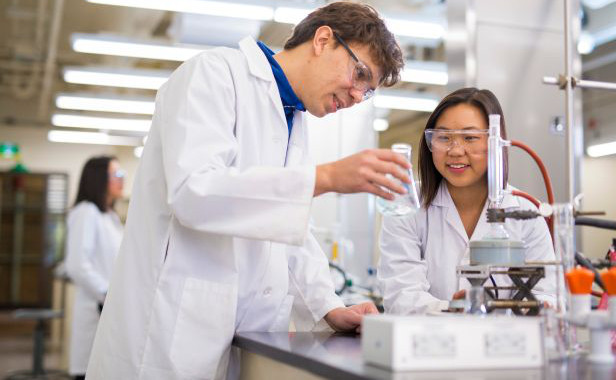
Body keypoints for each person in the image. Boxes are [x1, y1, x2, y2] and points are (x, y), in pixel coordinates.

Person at [87, 2, 406, 379]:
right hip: (167, 334)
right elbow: (195, 191)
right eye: (359, 74)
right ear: (323, 39)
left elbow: (284, 234)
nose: (356, 97)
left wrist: (328, 306)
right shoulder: (215, 74)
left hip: (235, 333)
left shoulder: (295, 120)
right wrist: (324, 178)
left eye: (366, 93)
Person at [378, 88, 556, 315]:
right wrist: (452, 309)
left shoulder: (526, 212)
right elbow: (401, 294)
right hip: (431, 344)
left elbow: (546, 292)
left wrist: (533, 307)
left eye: (470, 137)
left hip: (505, 344)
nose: (455, 151)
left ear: (494, 143)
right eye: (444, 138)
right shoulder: (406, 206)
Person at [64, 156, 124, 380]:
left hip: (108, 310)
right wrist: (107, 294)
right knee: (90, 370)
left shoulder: (109, 216)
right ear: (99, 178)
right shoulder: (86, 211)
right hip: (96, 307)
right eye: (116, 175)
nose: (121, 180)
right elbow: (77, 265)